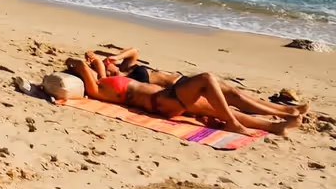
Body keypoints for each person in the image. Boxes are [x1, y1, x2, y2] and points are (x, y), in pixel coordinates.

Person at [66, 56, 300, 137]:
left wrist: (95, 61)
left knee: (223, 95)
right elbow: (81, 66)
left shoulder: (105, 79)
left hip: (166, 98)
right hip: (161, 102)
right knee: (207, 79)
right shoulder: (98, 89)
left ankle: (276, 122)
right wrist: (74, 65)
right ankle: (233, 123)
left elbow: (94, 62)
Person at [85, 48, 308, 119]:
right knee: (231, 101)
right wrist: (100, 66)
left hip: (182, 80)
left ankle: (283, 109)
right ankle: (283, 113)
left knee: (235, 93)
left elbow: (134, 50)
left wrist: (115, 56)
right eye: (108, 67)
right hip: (178, 89)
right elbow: (101, 80)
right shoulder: (124, 80)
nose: (111, 65)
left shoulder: (127, 67)